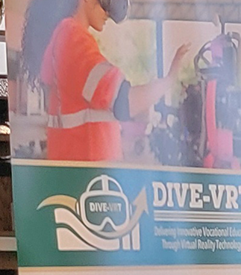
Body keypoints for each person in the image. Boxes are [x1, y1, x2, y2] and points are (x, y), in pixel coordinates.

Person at [21, 0, 189, 161]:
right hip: (89, 174)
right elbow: (125, 103)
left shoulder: (65, 37)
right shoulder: (73, 38)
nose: (109, 13)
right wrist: (169, 80)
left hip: (78, 172)